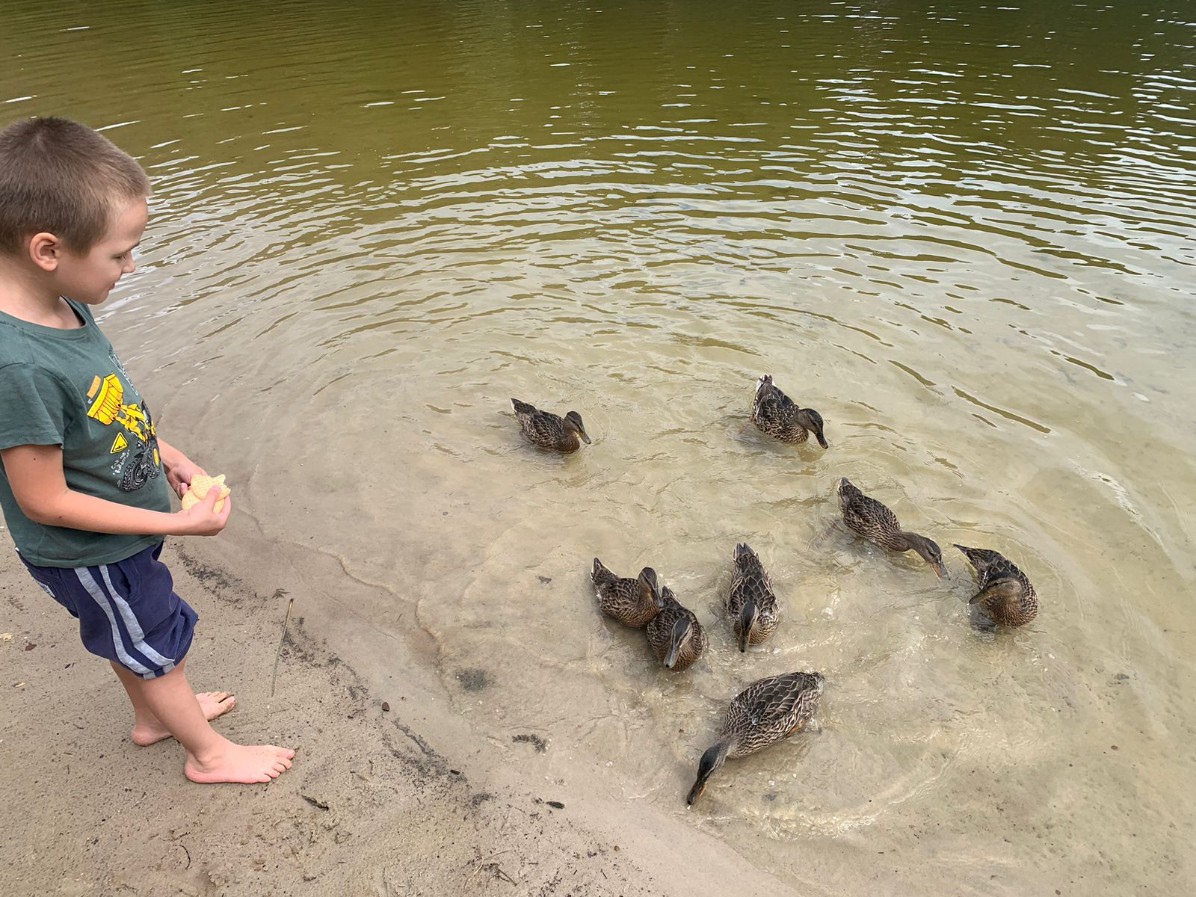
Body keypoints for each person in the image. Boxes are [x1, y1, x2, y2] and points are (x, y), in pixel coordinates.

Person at [0, 116, 294, 784]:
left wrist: (172, 458)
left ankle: (158, 717)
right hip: (91, 552)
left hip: (121, 531)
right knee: (156, 644)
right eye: (119, 253)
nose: (132, 266)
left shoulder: (65, 305)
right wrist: (179, 522)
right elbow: (42, 500)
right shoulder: (16, 366)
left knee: (132, 635)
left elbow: (109, 412)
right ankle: (209, 754)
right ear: (47, 249)